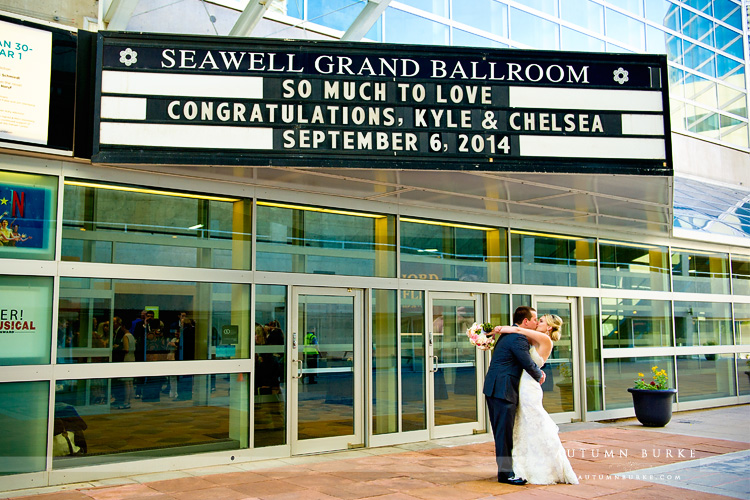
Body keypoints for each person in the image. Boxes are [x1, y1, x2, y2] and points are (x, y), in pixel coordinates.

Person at [498, 314, 579, 485]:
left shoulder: (544, 338)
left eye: (541, 321)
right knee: (524, 425)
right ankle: (523, 465)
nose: (537, 323)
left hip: (529, 388)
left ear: (549, 327)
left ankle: (542, 466)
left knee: (533, 422)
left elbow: (519, 329)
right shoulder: (535, 337)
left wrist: (498, 329)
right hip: (522, 384)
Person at [482, 306, 545, 485]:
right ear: (525, 321)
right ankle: (506, 474)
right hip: (502, 390)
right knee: (503, 433)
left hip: (496, 388)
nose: (536, 321)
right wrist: (539, 375)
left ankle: (506, 470)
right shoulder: (518, 338)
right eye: (535, 319)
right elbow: (526, 362)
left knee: (502, 432)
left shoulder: (510, 334)